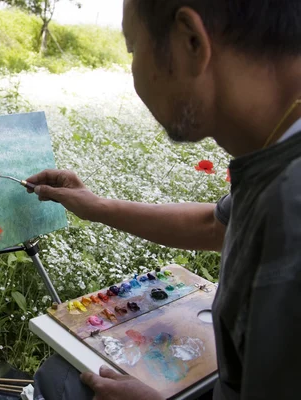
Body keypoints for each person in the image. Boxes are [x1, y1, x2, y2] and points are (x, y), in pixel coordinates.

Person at [27, 1, 301, 399]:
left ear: (191, 42)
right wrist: (94, 204)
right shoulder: (280, 152)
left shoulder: (290, 217)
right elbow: (216, 225)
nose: (134, 74)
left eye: (133, 49)